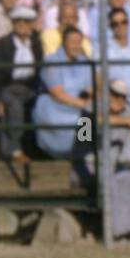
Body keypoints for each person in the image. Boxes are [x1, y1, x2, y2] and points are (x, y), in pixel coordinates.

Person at [73, 79, 130, 240]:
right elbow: (84, 137)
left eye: (123, 96)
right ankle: (117, 232)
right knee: (112, 184)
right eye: (115, 95)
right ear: (106, 94)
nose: (119, 100)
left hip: (119, 167)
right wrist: (125, 122)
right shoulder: (87, 111)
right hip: (91, 167)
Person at [0, 5, 43, 163]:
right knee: (13, 104)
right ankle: (14, 150)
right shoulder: (2, 45)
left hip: (30, 86)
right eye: (18, 21)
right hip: (7, 86)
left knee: (43, 103)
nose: (22, 24)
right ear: (12, 24)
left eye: (26, 21)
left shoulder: (36, 43)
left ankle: (42, 148)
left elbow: (40, 69)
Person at [33, 25, 94, 159]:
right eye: (72, 42)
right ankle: (62, 153)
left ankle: (83, 154)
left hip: (79, 103)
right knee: (82, 115)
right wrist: (82, 104)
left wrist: (88, 101)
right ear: (64, 42)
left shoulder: (84, 62)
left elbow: (90, 88)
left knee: (88, 116)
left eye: (79, 42)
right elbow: (57, 93)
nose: (76, 46)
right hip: (55, 105)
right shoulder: (52, 61)